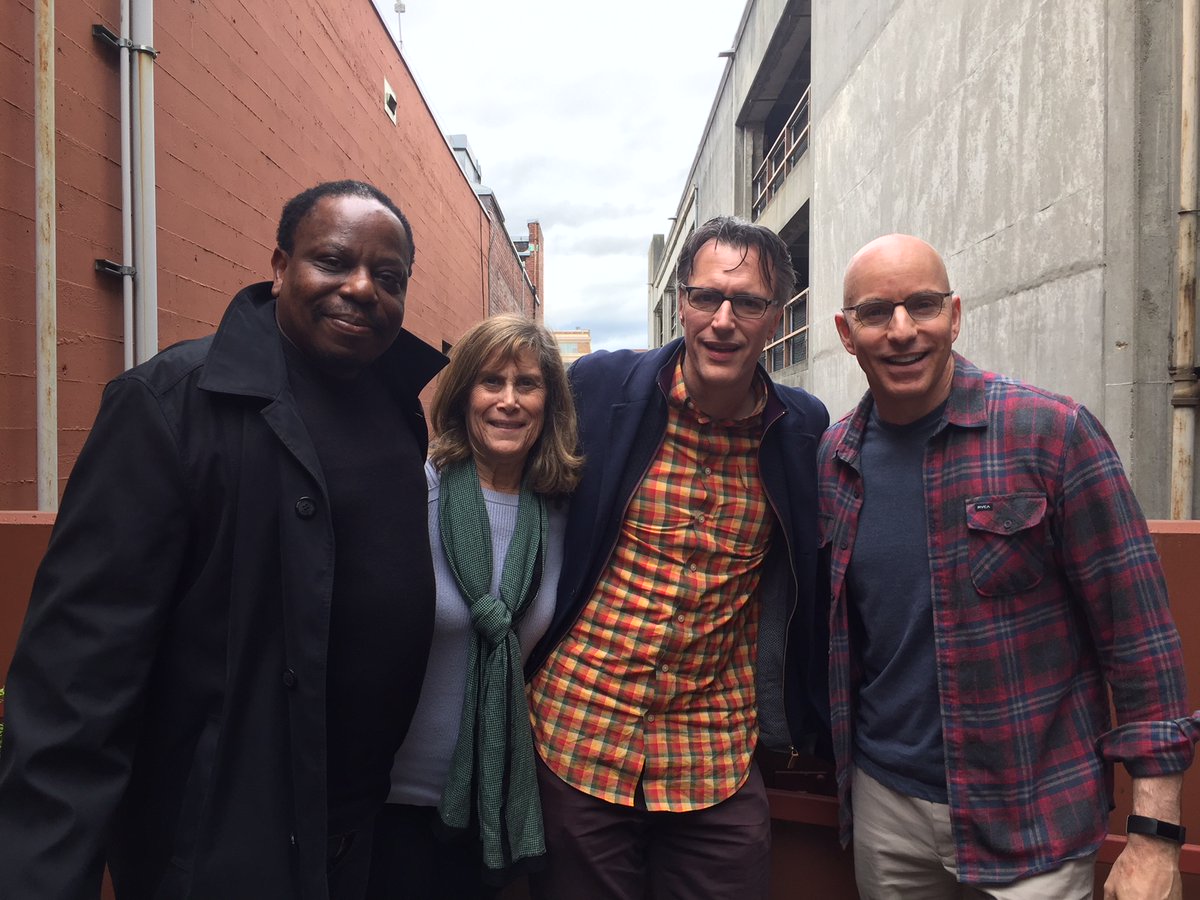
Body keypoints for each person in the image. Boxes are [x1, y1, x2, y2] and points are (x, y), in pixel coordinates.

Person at [0, 180, 447, 900]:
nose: (362, 288)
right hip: (220, 852)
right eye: (334, 261)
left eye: (388, 277)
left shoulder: (398, 407)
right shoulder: (172, 406)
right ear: (279, 267)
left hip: (360, 839)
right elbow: (72, 684)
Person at [820, 232, 1200, 899]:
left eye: (924, 305)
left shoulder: (1051, 433)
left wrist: (1154, 837)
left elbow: (1139, 641)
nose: (902, 330)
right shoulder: (834, 457)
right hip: (886, 812)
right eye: (877, 313)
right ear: (846, 334)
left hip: (1033, 818)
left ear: (956, 315)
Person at [524, 216, 831, 900]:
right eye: (705, 298)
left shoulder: (801, 430)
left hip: (713, 753)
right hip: (578, 731)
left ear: (776, 316)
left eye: (747, 302)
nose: (723, 321)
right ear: (681, 305)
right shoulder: (602, 388)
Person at [365, 314, 582, 897]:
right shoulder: (414, 494)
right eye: (491, 382)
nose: (509, 401)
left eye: (528, 384)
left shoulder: (562, 517)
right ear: (463, 396)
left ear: (549, 402)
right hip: (392, 804)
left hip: (498, 803)